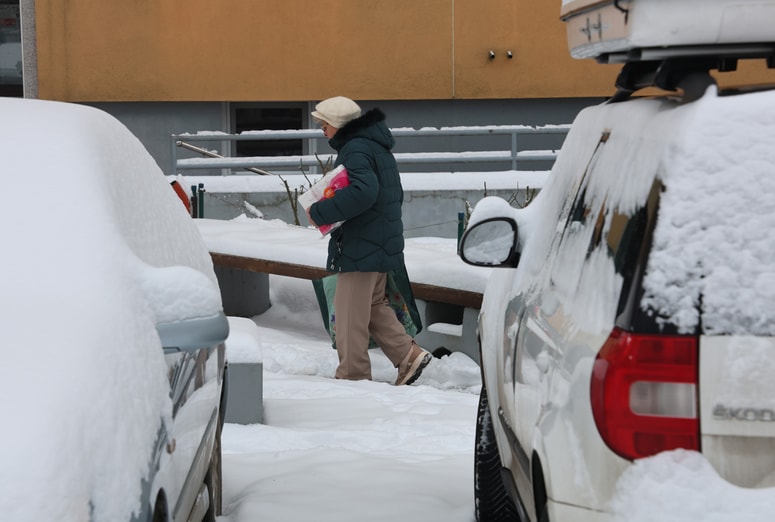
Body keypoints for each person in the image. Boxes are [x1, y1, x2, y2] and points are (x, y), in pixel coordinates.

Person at [307, 96, 432, 385]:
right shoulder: (374, 146)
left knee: (350, 312)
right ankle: (407, 356)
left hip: (361, 243)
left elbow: (364, 192)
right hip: (378, 238)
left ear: (338, 124)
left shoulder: (355, 148)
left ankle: (353, 376)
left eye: (324, 124)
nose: (322, 130)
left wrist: (320, 210)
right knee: (373, 304)